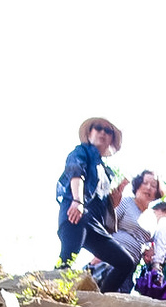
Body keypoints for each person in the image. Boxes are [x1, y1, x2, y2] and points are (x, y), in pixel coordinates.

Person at [56, 116, 134, 291]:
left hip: (95, 224)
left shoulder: (106, 171)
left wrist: (114, 199)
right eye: (98, 128)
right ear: (90, 132)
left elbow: (103, 203)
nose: (103, 133)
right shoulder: (81, 152)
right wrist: (77, 200)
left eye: (108, 131)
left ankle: (101, 299)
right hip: (76, 213)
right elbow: (76, 172)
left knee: (125, 263)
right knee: (67, 259)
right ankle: (49, 292)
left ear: (112, 139)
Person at [92, 168, 163, 292]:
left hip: (130, 268)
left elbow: (146, 242)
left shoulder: (152, 217)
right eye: (145, 183)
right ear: (137, 185)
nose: (148, 188)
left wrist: (148, 252)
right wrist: (98, 255)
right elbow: (107, 227)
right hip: (110, 260)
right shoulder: (125, 202)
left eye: (153, 185)